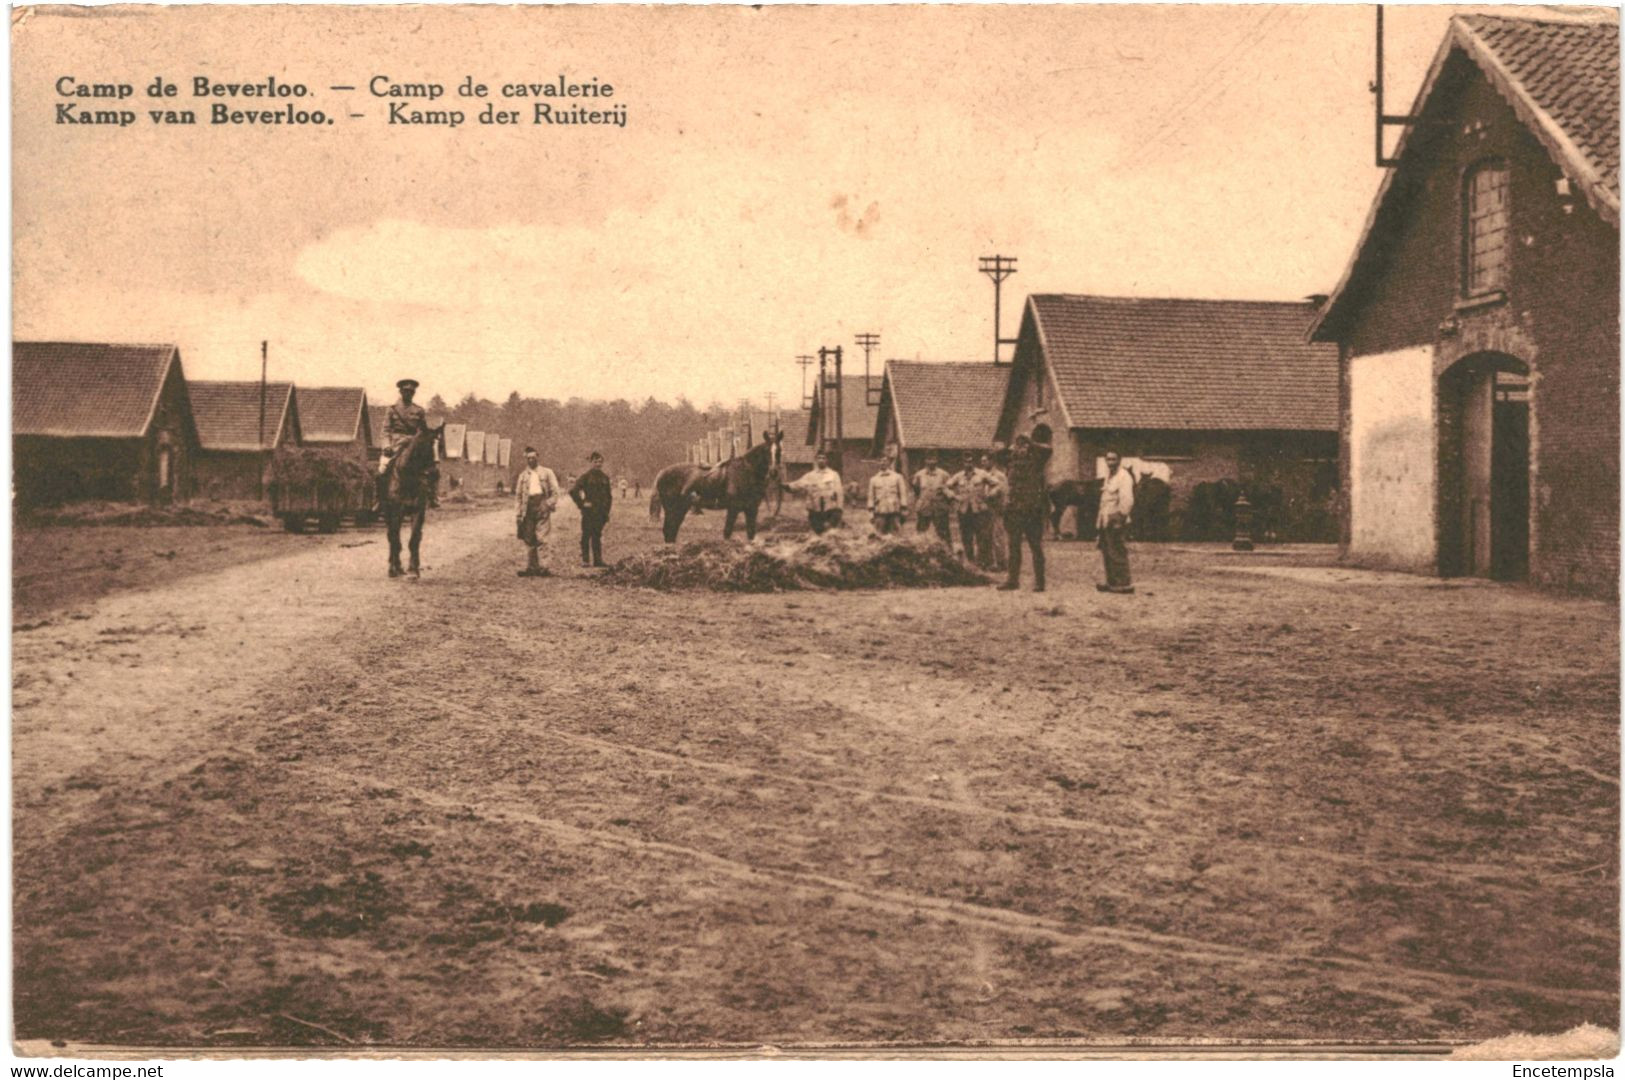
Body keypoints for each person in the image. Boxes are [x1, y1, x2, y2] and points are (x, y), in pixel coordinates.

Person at [1000, 426, 1054, 592]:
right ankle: (1012, 580)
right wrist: (1013, 446)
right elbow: (998, 455)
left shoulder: (1038, 458)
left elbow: (1045, 450)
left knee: (1035, 546)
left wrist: (1028, 442)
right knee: (1013, 545)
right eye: (1020, 447)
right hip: (1015, 508)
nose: (1021, 449)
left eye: (1024, 447)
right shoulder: (1012, 459)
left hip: (1032, 509)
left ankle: (1039, 582)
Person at [379, 378, 441, 507]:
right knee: (382, 469)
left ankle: (433, 496)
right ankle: (380, 499)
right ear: (400, 392)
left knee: (431, 468)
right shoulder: (392, 409)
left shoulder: (419, 410)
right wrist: (386, 446)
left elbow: (422, 429)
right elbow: (385, 430)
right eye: (406, 391)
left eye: (411, 392)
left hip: (414, 442)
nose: (408, 394)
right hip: (396, 443)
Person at [514, 446, 560, 578]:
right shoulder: (523, 476)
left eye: (533, 458)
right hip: (527, 507)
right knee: (529, 538)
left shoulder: (547, 472)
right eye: (528, 458)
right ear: (526, 459)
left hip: (542, 505)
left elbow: (555, 491)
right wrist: (518, 513)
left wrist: (548, 503)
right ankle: (531, 567)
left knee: (542, 538)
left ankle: (544, 568)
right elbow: (518, 495)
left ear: (537, 457)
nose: (531, 460)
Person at [1097, 449, 1136, 594]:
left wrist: (1120, 517)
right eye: (1108, 459)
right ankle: (1112, 582)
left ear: (1120, 460)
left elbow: (1127, 499)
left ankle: (1123, 583)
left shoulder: (1124, 476)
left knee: (1117, 550)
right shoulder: (1109, 476)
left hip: (1116, 518)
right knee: (1107, 550)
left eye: (1113, 459)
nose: (1110, 463)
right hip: (1105, 518)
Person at [570, 451, 614, 568]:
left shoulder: (605, 478)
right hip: (589, 512)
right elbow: (573, 491)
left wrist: (607, 512)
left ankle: (598, 560)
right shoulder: (586, 477)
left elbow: (609, 497)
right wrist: (582, 504)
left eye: (600, 462)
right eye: (595, 462)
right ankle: (585, 560)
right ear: (591, 462)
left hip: (601, 512)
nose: (598, 464)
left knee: (597, 535)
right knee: (586, 535)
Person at [946, 454, 991, 567]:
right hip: (964, 510)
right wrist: (954, 496)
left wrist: (989, 495)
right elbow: (946, 487)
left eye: (970, 461)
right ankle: (970, 561)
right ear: (963, 463)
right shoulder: (958, 476)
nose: (968, 464)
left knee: (982, 537)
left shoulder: (982, 474)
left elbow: (996, 484)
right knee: (966, 536)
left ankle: (982, 562)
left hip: (979, 510)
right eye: (966, 462)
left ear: (973, 462)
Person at [789, 451, 843, 534]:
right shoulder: (810, 475)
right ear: (816, 460)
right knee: (817, 533)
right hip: (815, 510)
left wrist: (839, 509)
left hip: (830, 510)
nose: (821, 460)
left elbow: (839, 492)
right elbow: (797, 485)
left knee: (830, 532)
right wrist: (785, 486)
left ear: (827, 460)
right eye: (819, 458)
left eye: (823, 458)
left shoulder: (834, 475)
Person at [911, 452, 952, 545]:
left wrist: (944, 505)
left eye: (933, 459)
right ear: (925, 461)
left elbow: (949, 491)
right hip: (924, 508)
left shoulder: (944, 474)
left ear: (937, 461)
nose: (931, 462)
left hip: (940, 508)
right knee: (921, 532)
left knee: (943, 533)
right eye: (929, 459)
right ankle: (920, 553)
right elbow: (916, 490)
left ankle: (947, 554)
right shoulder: (919, 475)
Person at [981, 449, 1010, 572]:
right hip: (984, 510)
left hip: (996, 509)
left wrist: (990, 496)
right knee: (986, 536)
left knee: (998, 536)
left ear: (992, 461)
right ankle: (988, 561)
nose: (983, 463)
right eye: (982, 461)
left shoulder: (999, 475)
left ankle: (1001, 563)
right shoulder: (981, 474)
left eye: (985, 461)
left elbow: (1002, 491)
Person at [867, 458, 909, 535]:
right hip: (880, 510)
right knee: (879, 533)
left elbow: (903, 494)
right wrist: (870, 512)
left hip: (894, 510)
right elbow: (870, 497)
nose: (883, 463)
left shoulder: (897, 477)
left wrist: (904, 508)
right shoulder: (874, 479)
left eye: (885, 461)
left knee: (896, 533)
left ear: (889, 463)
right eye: (881, 461)